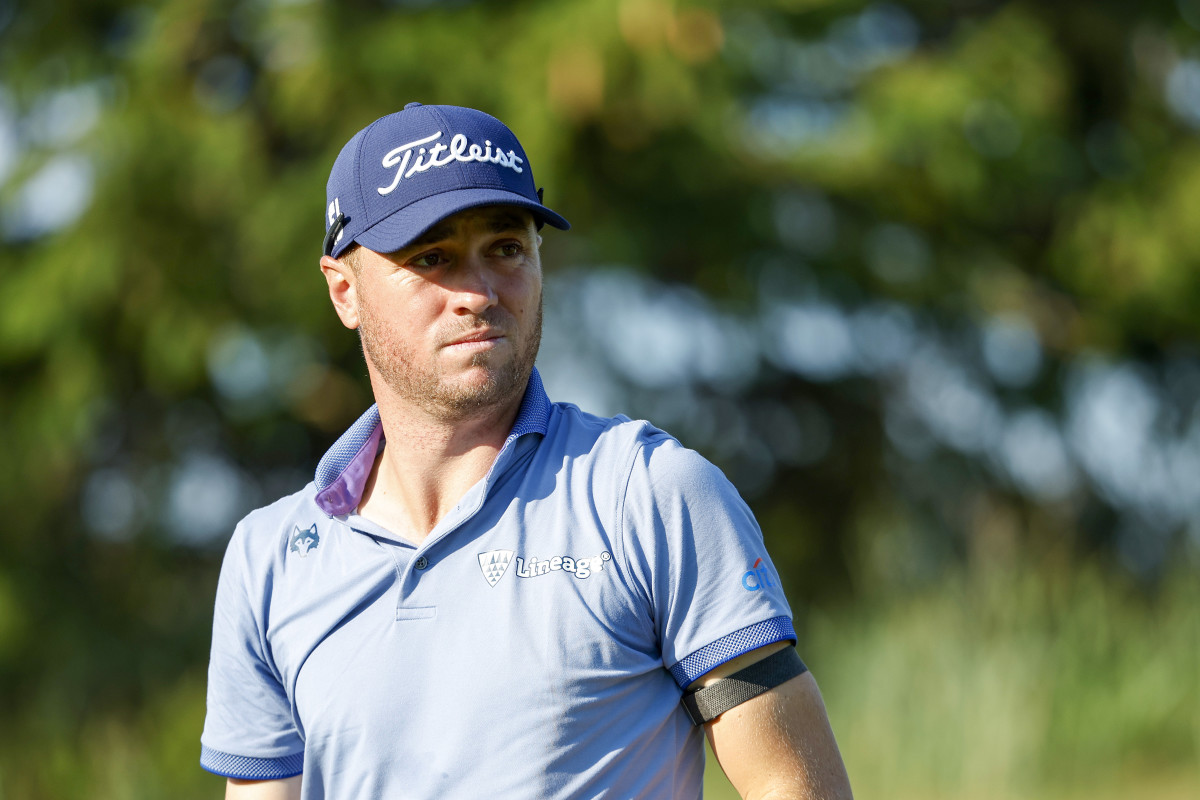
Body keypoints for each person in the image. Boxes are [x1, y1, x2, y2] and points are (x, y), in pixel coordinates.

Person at [200, 103, 853, 800]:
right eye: (432, 258)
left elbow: (794, 785)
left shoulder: (650, 494)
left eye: (506, 249)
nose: (478, 293)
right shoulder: (269, 559)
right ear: (343, 291)